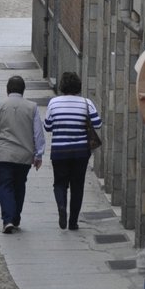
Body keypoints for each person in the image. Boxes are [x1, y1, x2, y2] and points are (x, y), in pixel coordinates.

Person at [0, 75, 45, 232]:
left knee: (5, 185)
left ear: (7, 90)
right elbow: (38, 133)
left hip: (4, 154)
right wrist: (38, 154)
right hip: (24, 155)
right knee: (19, 185)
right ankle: (15, 217)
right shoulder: (32, 107)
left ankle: (8, 219)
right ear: (23, 90)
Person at [43, 70, 102, 231]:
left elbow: (47, 126)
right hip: (80, 152)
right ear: (78, 86)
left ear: (62, 86)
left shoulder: (54, 103)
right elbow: (98, 123)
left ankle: (62, 207)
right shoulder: (86, 103)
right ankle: (73, 222)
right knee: (77, 186)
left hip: (59, 151)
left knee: (59, 183)